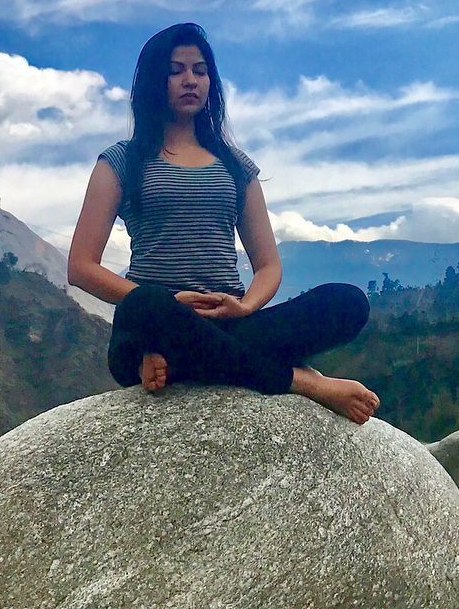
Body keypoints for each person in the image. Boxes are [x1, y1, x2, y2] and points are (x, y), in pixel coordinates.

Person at [67, 22, 380, 425]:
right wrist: (172, 304)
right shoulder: (122, 161)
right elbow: (81, 267)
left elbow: (268, 265)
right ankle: (303, 382)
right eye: (176, 70)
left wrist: (245, 306)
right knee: (145, 303)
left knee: (347, 302)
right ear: (153, 82)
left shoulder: (234, 165)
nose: (190, 80)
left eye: (200, 70)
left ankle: (181, 364)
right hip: (154, 324)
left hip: (229, 324)